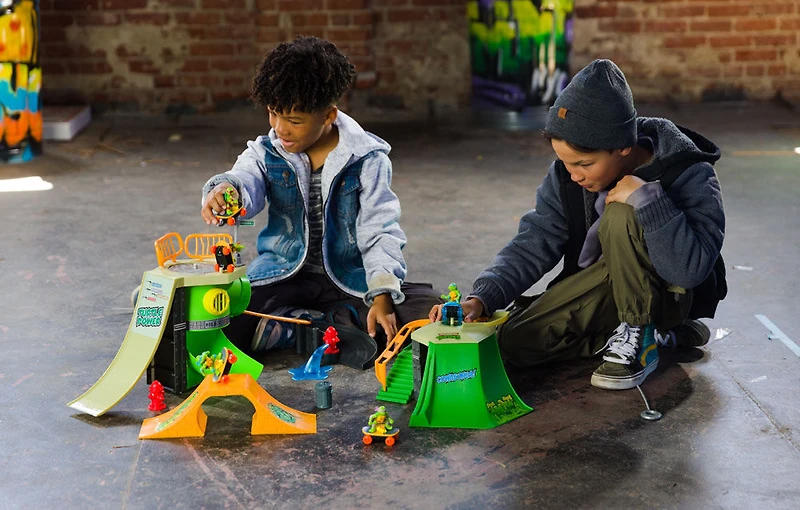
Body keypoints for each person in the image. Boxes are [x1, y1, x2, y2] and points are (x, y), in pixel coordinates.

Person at [430, 59, 726, 390]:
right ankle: (658, 336)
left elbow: (691, 271)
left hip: (667, 294)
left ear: (622, 147)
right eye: (565, 162)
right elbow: (534, 241)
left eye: (584, 164)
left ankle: (640, 337)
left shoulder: (690, 172)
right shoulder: (567, 176)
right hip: (603, 287)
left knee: (622, 211)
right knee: (513, 343)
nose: (574, 174)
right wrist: (483, 296)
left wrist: (650, 203)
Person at [202, 35, 439, 353]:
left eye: (295, 121)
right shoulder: (265, 151)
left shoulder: (368, 158)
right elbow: (245, 180)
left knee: (426, 315)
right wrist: (225, 189)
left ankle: (301, 326)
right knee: (216, 318)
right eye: (274, 113)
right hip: (283, 275)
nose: (280, 128)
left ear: (328, 115)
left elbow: (379, 231)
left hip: (349, 279)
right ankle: (322, 328)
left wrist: (381, 294)